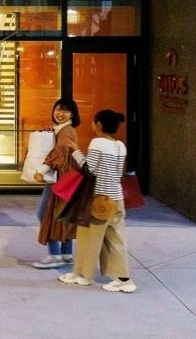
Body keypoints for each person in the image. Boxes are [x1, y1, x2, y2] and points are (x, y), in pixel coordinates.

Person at [58, 109, 137, 293]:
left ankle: (82, 275)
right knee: (116, 240)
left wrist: (75, 151)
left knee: (88, 238)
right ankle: (124, 280)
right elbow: (118, 172)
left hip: (98, 200)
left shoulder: (97, 143)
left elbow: (90, 169)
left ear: (99, 124)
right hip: (116, 198)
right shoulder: (120, 146)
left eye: (94, 122)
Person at [31, 98, 81, 269]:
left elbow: (58, 153)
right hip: (67, 179)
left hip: (60, 179)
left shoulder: (65, 131)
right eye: (58, 109)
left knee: (46, 214)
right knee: (62, 214)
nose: (60, 113)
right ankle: (66, 254)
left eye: (65, 111)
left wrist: (41, 171)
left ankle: (54, 255)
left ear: (72, 114)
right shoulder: (65, 129)